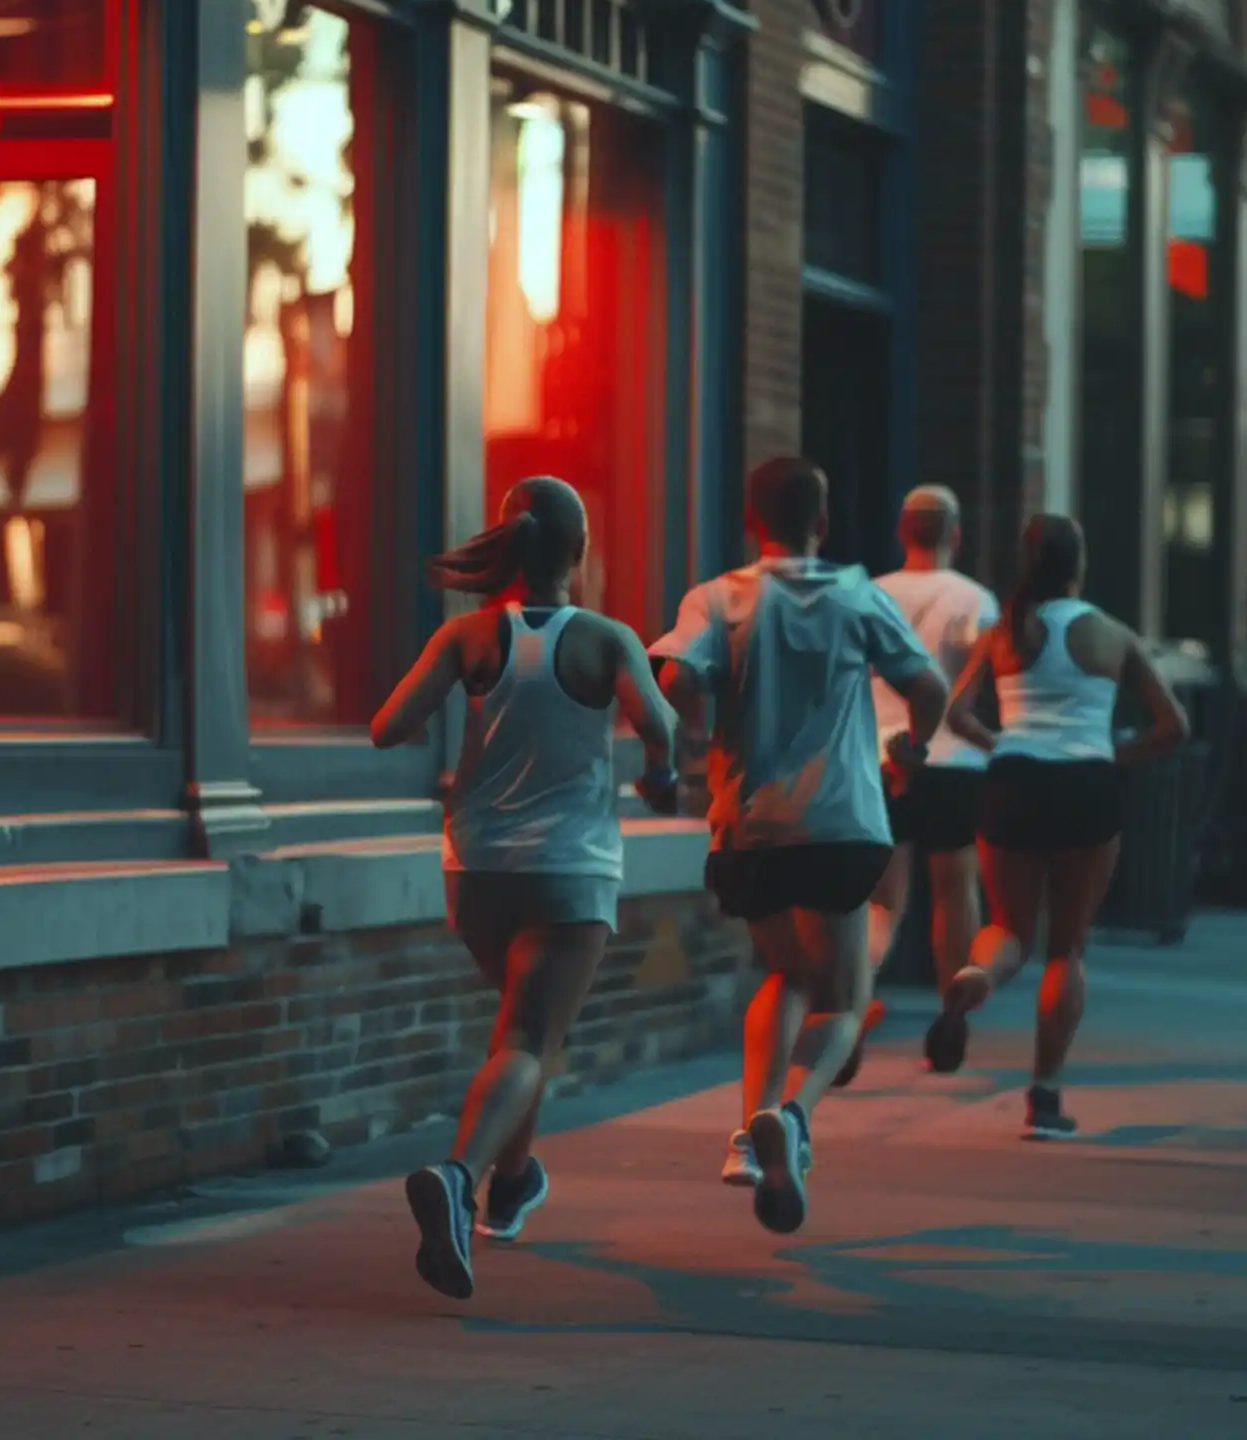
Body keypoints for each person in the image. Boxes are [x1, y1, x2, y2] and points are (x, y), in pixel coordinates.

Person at [370, 477, 680, 1300]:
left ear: (507, 545)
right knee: (527, 1042)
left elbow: (385, 726)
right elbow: (660, 721)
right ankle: (459, 1175)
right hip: (569, 869)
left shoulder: (467, 637)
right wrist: (662, 773)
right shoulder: (607, 639)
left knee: (524, 1032)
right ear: (578, 552)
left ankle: (510, 1188)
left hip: (476, 871)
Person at [652, 458, 947, 1233]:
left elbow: (673, 679)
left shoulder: (717, 597)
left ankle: (750, 1134)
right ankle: (792, 1114)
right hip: (843, 819)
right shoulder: (857, 595)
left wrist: (688, 742)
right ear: (822, 522)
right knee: (842, 998)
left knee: (782, 972)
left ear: (753, 522)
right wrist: (913, 746)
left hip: (751, 824)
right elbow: (928, 687)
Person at [939, 513, 1188, 1140]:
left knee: (1007, 929)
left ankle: (976, 977)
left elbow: (955, 713)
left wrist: (1004, 742)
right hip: (1087, 785)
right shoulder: (1112, 634)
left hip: (1014, 779)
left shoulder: (1005, 632)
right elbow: (1172, 727)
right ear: (1080, 562)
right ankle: (1044, 1098)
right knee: (1066, 947)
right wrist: (1113, 754)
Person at [837, 485, 1000, 1086]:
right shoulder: (974, 600)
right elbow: (984, 684)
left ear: (902, 533)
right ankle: (952, 1003)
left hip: (879, 759)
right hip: (953, 763)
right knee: (956, 891)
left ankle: (853, 1006)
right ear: (955, 535)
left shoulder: (868, 593)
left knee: (880, 900)